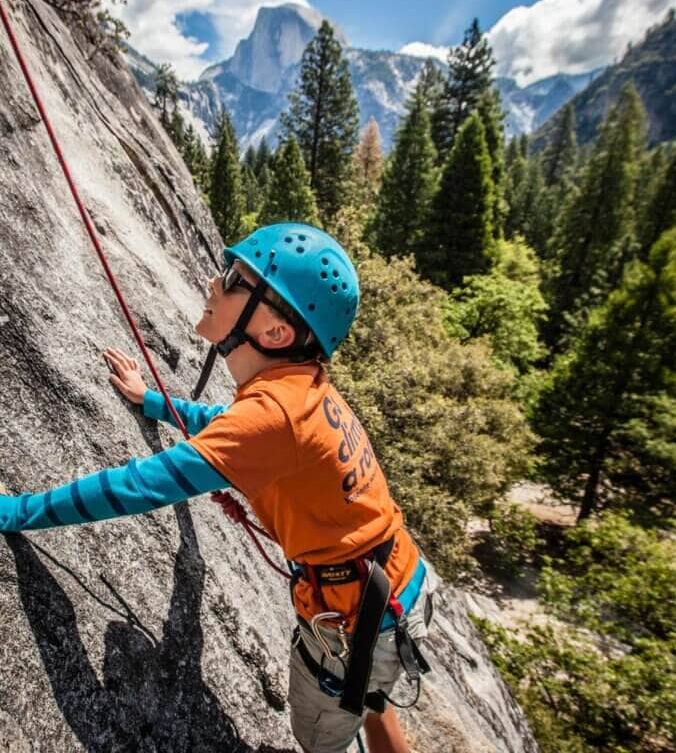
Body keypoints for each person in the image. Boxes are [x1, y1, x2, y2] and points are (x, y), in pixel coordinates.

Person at [1, 222, 435, 753]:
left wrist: (15, 511)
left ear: (275, 332)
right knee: (369, 692)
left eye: (233, 279)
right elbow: (226, 422)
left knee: (322, 735)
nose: (212, 282)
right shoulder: (298, 389)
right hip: (394, 585)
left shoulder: (276, 413)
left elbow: (138, 486)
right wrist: (154, 401)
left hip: (357, 616)